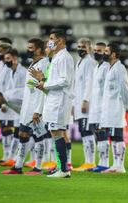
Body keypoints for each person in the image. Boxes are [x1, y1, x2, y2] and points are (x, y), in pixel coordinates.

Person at [1, 38, 50, 175]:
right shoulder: (32, 64)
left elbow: (43, 88)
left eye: (31, 48)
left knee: (39, 136)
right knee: (22, 134)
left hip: (36, 108)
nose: (28, 50)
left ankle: (38, 167)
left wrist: (38, 110)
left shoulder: (44, 64)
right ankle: (18, 166)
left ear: (39, 49)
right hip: (27, 106)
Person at [33, 29, 74, 178]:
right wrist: (43, 81)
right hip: (54, 99)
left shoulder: (64, 58)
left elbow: (65, 80)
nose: (49, 42)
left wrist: (45, 84)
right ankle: (61, 167)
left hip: (60, 100)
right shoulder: (57, 58)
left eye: (51, 38)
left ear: (60, 41)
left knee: (57, 132)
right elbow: (54, 81)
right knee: (55, 132)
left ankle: (63, 169)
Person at [100, 43, 128, 173]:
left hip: (116, 107)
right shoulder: (110, 68)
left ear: (113, 54)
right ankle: (115, 164)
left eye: (106, 51)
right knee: (113, 136)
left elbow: (124, 88)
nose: (104, 54)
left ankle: (120, 165)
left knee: (117, 135)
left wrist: (127, 104)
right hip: (109, 108)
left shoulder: (119, 68)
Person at [72, 38, 97, 172]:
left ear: (89, 48)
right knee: (83, 132)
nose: (80, 49)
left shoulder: (89, 62)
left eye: (83, 47)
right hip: (79, 102)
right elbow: (77, 85)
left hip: (85, 103)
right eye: (79, 46)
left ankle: (90, 162)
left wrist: (86, 100)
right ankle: (87, 161)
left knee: (87, 132)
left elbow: (90, 82)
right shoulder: (79, 62)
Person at [87, 42, 110, 172]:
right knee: (97, 134)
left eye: (99, 51)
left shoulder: (107, 67)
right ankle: (100, 162)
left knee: (102, 134)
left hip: (103, 106)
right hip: (95, 106)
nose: (96, 53)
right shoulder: (97, 67)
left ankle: (104, 163)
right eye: (95, 50)